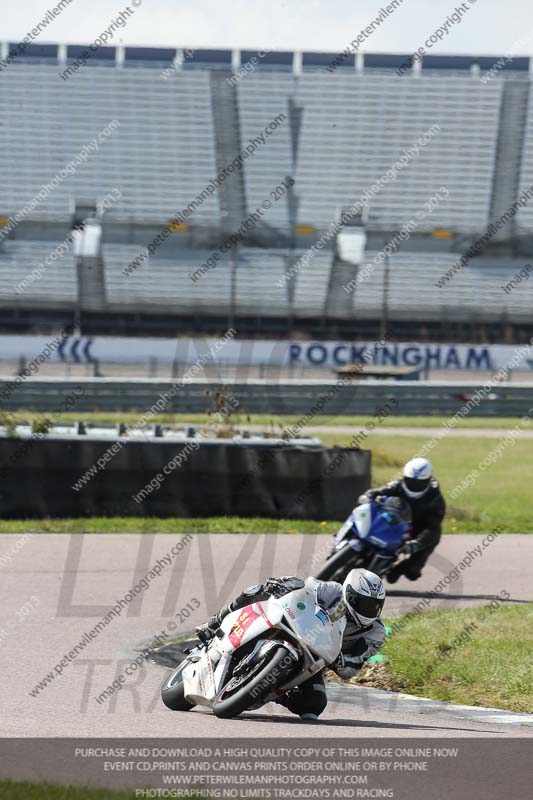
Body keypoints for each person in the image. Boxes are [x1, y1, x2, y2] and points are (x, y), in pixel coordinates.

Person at [196, 568, 386, 720]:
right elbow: (306, 588)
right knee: (257, 589)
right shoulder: (332, 590)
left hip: (315, 659)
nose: (370, 611)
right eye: (364, 604)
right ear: (349, 594)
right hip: (294, 626)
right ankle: (215, 622)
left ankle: (271, 690)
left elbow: (354, 665)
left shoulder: (375, 633)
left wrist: (341, 661)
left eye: (375, 606)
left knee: (314, 706)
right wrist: (287, 584)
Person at [360, 457, 445, 583]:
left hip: (420, 532)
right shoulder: (398, 485)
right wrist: (369, 495)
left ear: (427, 480)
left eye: (419, 482)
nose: (413, 485)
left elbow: (432, 528)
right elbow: (379, 491)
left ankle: (395, 569)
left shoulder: (435, 499)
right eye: (410, 480)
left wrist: (417, 543)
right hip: (397, 523)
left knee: (412, 573)